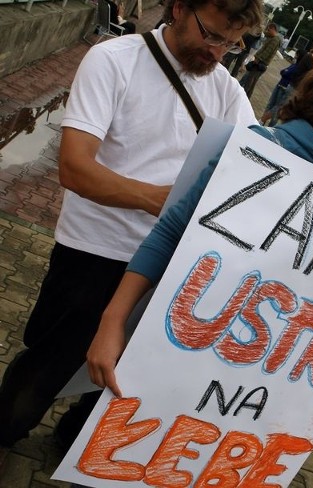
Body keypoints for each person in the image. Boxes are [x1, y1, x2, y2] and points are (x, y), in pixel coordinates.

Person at [86, 41, 313, 415]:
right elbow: (171, 232)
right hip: (180, 346)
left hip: (252, 385)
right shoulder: (260, 149)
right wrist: (112, 322)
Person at [0, 0, 263, 454]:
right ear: (179, 8)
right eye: (212, 35)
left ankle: (71, 442)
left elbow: (260, 170)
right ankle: (5, 435)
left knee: (119, 373)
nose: (218, 53)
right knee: (47, 362)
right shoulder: (114, 59)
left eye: (231, 44)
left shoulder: (226, 91)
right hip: (93, 250)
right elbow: (75, 169)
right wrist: (169, 205)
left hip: (165, 264)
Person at [259, 48, 306, 126]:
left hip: (284, 88)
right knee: (271, 104)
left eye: (296, 54)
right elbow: (283, 71)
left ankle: (270, 126)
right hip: (280, 85)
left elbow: (286, 73)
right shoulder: (294, 64)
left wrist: (285, 72)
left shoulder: (298, 67)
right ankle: (261, 122)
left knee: (276, 108)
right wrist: (285, 72)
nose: (294, 56)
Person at [239, 22, 282, 97]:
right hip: (260, 63)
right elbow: (265, 34)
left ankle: (244, 96)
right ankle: (246, 96)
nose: (267, 31)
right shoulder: (273, 37)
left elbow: (267, 51)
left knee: (250, 81)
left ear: (273, 29)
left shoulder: (275, 39)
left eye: (269, 29)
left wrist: (258, 59)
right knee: (251, 81)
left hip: (260, 63)